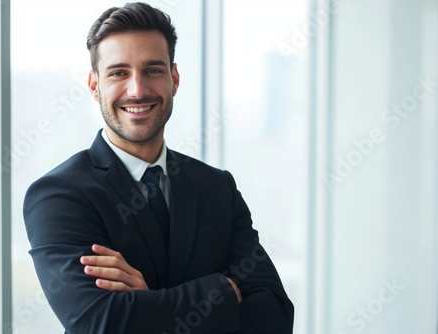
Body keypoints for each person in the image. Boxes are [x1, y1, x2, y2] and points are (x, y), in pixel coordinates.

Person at [23, 2, 294, 333]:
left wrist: (147, 302)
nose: (137, 90)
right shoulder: (59, 196)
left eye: (152, 70)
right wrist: (225, 292)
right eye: (119, 72)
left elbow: (275, 316)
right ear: (95, 86)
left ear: (174, 78)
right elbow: (97, 322)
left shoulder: (216, 187)